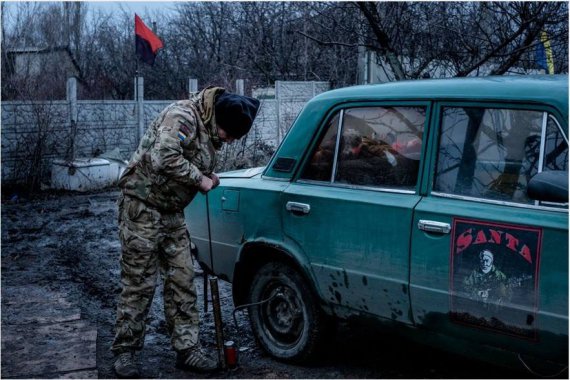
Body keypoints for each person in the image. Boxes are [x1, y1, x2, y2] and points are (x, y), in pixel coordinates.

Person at [111, 87, 260, 378]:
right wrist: (199, 178)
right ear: (217, 117)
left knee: (182, 280)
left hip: (171, 212)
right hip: (141, 207)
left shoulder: (210, 125)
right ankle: (125, 352)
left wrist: (209, 177)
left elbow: (194, 160)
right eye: (227, 134)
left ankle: (187, 349)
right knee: (139, 283)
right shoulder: (182, 116)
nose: (227, 141)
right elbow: (163, 157)